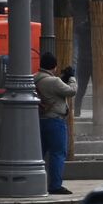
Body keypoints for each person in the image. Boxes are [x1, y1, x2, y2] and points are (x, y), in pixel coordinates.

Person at [35, 51, 77, 195]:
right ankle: (55, 185)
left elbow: (52, 86)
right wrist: (71, 77)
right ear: (54, 66)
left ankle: (37, 182)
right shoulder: (54, 81)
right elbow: (71, 91)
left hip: (40, 121)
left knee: (40, 153)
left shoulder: (35, 78)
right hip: (55, 121)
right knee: (58, 154)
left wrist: (62, 78)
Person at [68, 0, 93, 116]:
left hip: (81, 31)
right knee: (75, 56)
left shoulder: (85, 1)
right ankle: (77, 109)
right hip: (74, 31)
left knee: (76, 56)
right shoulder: (68, 1)